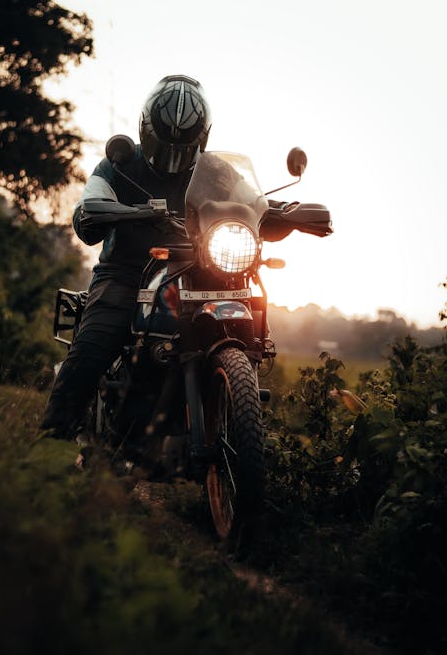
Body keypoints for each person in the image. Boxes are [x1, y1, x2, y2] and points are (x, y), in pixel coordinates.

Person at [41, 74, 296, 439]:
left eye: (185, 147)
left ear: (201, 139)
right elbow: (90, 204)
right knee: (93, 344)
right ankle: (54, 438)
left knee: (253, 332)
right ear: (147, 130)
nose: (173, 157)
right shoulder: (119, 164)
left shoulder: (219, 173)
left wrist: (291, 211)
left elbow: (254, 203)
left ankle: (234, 426)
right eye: (165, 145)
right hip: (127, 274)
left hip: (200, 272)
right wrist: (102, 210)